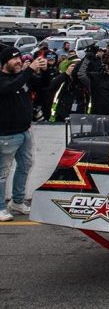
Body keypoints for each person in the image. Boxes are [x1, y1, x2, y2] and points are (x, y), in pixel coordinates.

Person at [0, 48, 47, 221]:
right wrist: (28, 70)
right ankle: (0, 207)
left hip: (25, 131)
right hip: (6, 135)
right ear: (5, 63)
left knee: (25, 165)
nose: (19, 61)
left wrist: (42, 70)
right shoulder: (3, 79)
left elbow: (43, 87)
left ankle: (17, 202)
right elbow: (10, 87)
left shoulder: (22, 76)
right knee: (2, 173)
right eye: (14, 59)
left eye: (19, 57)